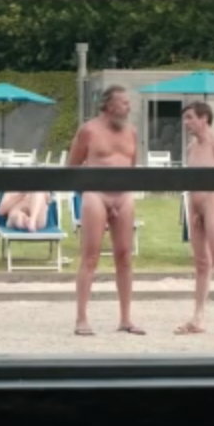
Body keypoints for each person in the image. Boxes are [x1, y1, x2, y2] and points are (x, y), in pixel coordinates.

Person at [68, 85, 143, 336]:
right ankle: (81, 318)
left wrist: (125, 194)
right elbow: (72, 166)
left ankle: (126, 318)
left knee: (125, 256)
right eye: (124, 103)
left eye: (128, 103)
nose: (128, 107)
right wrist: (88, 191)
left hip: (123, 195)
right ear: (109, 105)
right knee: (90, 256)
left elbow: (133, 167)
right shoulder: (89, 130)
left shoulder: (132, 132)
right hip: (96, 194)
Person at [174, 102, 214, 339]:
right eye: (185, 118)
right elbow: (191, 181)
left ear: (204, 119)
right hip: (196, 206)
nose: (186, 123)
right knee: (201, 263)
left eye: (190, 117)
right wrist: (193, 210)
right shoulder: (192, 147)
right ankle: (197, 318)